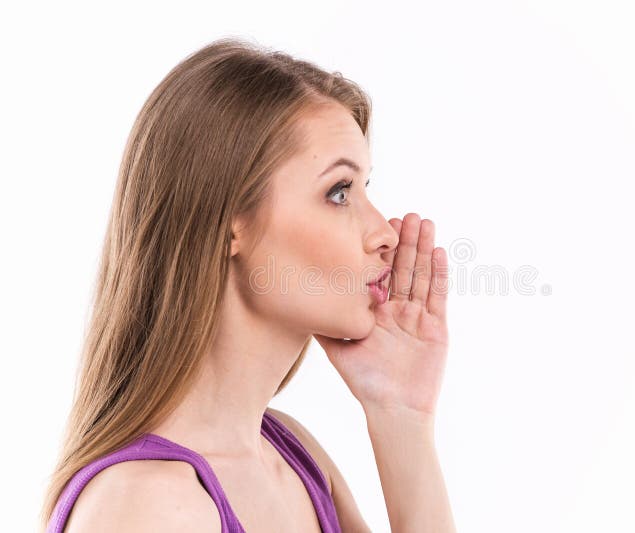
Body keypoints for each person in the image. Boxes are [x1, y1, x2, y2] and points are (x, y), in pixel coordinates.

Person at [39, 37, 455, 533]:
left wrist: (400, 414)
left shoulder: (292, 456)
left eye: (366, 187)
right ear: (230, 222)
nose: (385, 234)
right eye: (339, 192)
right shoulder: (147, 506)